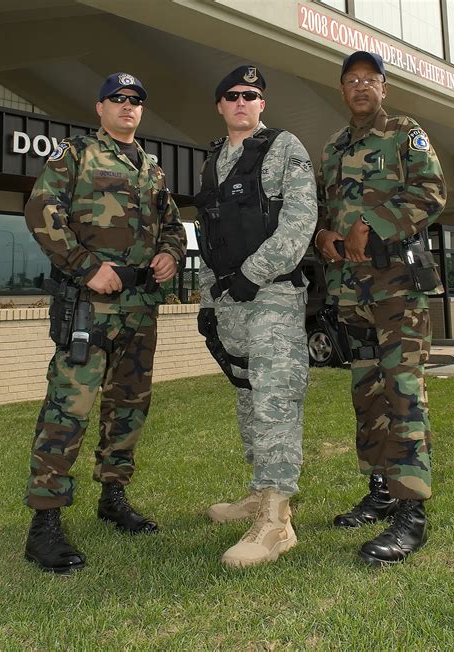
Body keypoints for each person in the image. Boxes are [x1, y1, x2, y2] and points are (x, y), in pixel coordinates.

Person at [23, 72, 187, 573]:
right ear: (100, 108)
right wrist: (86, 267)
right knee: (68, 406)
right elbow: (40, 210)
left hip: (140, 306)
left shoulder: (152, 170)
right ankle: (45, 522)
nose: (127, 107)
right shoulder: (75, 156)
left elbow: (175, 226)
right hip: (88, 309)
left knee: (129, 405)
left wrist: (169, 255)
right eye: (117, 99)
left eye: (135, 101)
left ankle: (112, 495)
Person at [315, 51, 446, 565]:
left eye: (370, 80)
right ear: (343, 90)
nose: (361, 88)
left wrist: (376, 223)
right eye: (352, 81)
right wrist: (326, 234)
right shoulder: (333, 147)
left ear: (384, 88)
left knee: (403, 392)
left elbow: (432, 192)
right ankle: (381, 490)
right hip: (352, 292)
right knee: (366, 392)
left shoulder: (405, 132)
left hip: (397, 288)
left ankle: (411, 514)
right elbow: (327, 211)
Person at [195, 65, 317, 568]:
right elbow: (208, 238)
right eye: (232, 96)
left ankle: (276, 522)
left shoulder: (285, 148)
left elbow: (300, 220)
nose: (242, 102)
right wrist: (208, 301)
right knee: (247, 396)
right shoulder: (214, 160)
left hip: (272, 297)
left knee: (275, 399)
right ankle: (258, 491)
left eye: (251, 95)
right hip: (229, 301)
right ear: (221, 106)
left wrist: (255, 272)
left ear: (262, 104)